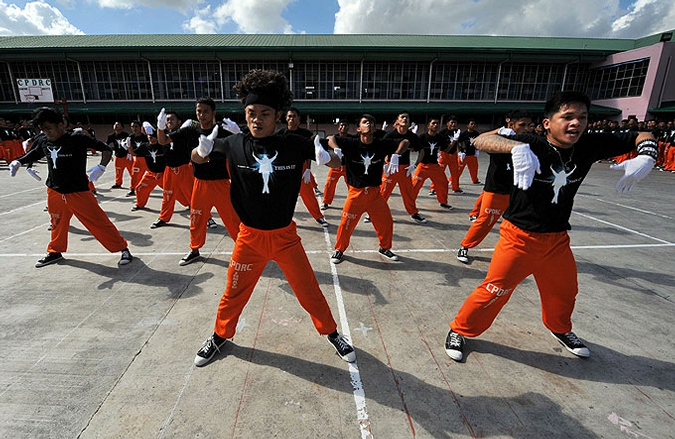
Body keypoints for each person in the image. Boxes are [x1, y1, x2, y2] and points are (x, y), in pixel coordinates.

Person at [444, 91, 657, 362]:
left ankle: (559, 328)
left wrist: (648, 155)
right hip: (519, 237)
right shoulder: (533, 142)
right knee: (494, 291)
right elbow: (481, 139)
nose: (576, 123)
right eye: (567, 117)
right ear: (547, 123)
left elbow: (640, 135)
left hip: (556, 240)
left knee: (565, 293)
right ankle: (459, 329)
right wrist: (515, 148)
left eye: (582, 117)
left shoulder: (589, 145)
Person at [190, 69, 354, 366]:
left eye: (265, 113)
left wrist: (327, 156)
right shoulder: (234, 144)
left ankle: (332, 333)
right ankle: (219, 335)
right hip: (249, 238)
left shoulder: (292, 143)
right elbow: (197, 158)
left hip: (285, 238)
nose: (257, 119)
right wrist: (200, 151)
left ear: (277, 115)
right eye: (251, 112)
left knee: (309, 292)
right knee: (233, 293)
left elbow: (339, 160)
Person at [8, 107, 132, 267]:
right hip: (54, 190)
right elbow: (35, 153)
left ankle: (122, 248)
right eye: (43, 129)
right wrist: (19, 162)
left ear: (61, 125)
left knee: (98, 221)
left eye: (48, 128)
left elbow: (106, 149)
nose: (46, 132)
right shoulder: (44, 140)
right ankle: (55, 251)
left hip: (77, 191)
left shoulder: (77, 139)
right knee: (57, 221)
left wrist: (101, 167)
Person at [157, 97, 240, 266]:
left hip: (221, 183)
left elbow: (249, 146)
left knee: (233, 220)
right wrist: (160, 128)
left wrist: (239, 134)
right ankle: (195, 250)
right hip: (200, 183)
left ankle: (246, 250)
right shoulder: (190, 131)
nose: (201, 115)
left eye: (205, 111)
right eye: (198, 111)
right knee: (196, 219)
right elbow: (163, 140)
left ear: (213, 113)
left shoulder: (223, 131)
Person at [328, 114, 409, 265]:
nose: (369, 124)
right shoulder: (351, 143)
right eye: (365, 122)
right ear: (359, 128)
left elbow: (405, 141)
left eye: (371, 122)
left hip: (375, 194)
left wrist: (397, 155)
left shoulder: (381, 144)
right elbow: (330, 138)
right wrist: (337, 148)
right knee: (346, 224)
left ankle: (384, 248)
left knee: (386, 223)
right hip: (355, 194)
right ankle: (339, 249)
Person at [457, 110, 532, 264]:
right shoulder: (500, 139)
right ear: (510, 125)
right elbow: (477, 141)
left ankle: (519, 253)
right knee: (485, 221)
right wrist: (498, 131)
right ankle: (465, 246)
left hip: (518, 190)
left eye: (528, 125)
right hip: (497, 189)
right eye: (521, 125)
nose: (526, 128)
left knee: (520, 223)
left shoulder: (530, 141)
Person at [277, 107, 329, 227]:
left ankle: (319, 217)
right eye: (289, 116)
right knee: (284, 196)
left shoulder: (306, 134)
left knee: (309, 196)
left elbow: (309, 154)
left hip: (301, 168)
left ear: (298, 119)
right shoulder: (281, 134)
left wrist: (308, 169)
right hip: (285, 169)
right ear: (286, 118)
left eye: (294, 116)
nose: (291, 119)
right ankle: (284, 218)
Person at [381, 111, 428, 224]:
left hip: (405, 169)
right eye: (402, 117)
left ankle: (414, 213)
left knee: (408, 192)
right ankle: (374, 212)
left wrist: (415, 165)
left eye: (407, 117)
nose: (405, 119)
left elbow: (421, 151)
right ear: (397, 121)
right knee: (383, 192)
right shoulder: (390, 135)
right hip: (391, 168)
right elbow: (380, 150)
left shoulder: (412, 137)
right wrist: (384, 165)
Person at [156, 111, 194, 228]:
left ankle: (207, 218)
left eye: (172, 119)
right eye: (167, 120)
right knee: (168, 195)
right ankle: (163, 218)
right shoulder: (165, 135)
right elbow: (160, 140)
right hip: (169, 169)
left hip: (184, 168)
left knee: (193, 195)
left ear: (179, 122)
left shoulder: (184, 133)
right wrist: (160, 127)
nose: (169, 121)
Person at [411, 118, 454, 210]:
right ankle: (410, 203)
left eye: (437, 123)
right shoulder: (422, 136)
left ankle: (443, 202)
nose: (435, 125)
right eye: (433, 123)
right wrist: (413, 137)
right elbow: (413, 149)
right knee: (414, 186)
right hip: (423, 166)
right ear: (428, 125)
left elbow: (446, 149)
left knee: (443, 184)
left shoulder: (440, 137)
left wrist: (454, 141)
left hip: (435, 166)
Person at [130, 123, 165, 211]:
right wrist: (128, 147)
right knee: (140, 188)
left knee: (175, 192)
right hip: (151, 174)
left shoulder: (163, 146)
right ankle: (140, 204)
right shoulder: (144, 146)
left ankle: (189, 203)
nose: (151, 139)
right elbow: (134, 153)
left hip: (163, 174)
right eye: (149, 137)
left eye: (153, 137)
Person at [320, 119, 350, 211]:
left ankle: (354, 202)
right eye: (341, 125)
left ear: (348, 128)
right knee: (329, 184)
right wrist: (336, 148)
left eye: (345, 125)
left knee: (352, 186)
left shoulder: (351, 139)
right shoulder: (335, 138)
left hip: (348, 168)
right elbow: (329, 138)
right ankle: (326, 202)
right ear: (338, 128)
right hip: (336, 167)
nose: (343, 127)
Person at [437, 115, 463, 194]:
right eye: (452, 122)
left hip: (453, 154)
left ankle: (455, 188)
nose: (453, 125)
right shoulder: (442, 133)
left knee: (455, 172)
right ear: (447, 123)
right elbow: (443, 147)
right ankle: (434, 188)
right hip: (444, 154)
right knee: (439, 172)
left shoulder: (457, 132)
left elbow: (460, 143)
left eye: (455, 123)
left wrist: (461, 151)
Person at [126, 120, 150, 197]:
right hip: (137, 159)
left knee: (154, 175)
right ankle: (132, 189)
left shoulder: (145, 137)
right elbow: (129, 148)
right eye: (132, 127)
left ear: (140, 128)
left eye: (136, 126)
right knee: (135, 175)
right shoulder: (130, 137)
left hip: (146, 159)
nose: (134, 128)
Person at [106, 122, 132, 189]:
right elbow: (107, 144)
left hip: (126, 156)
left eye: (118, 125)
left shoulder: (126, 135)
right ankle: (118, 183)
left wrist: (130, 153)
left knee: (132, 171)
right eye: (115, 125)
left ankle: (136, 183)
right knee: (118, 171)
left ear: (122, 127)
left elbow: (129, 144)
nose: (116, 126)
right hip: (118, 156)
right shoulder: (111, 136)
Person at [456, 118, 482, 185]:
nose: (473, 125)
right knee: (458, 169)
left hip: (472, 154)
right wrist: (459, 152)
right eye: (471, 124)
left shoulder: (476, 133)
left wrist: (477, 150)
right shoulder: (463, 134)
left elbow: (478, 142)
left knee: (474, 169)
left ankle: (475, 180)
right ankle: (453, 179)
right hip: (464, 155)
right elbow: (458, 143)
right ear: (468, 125)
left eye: (474, 124)